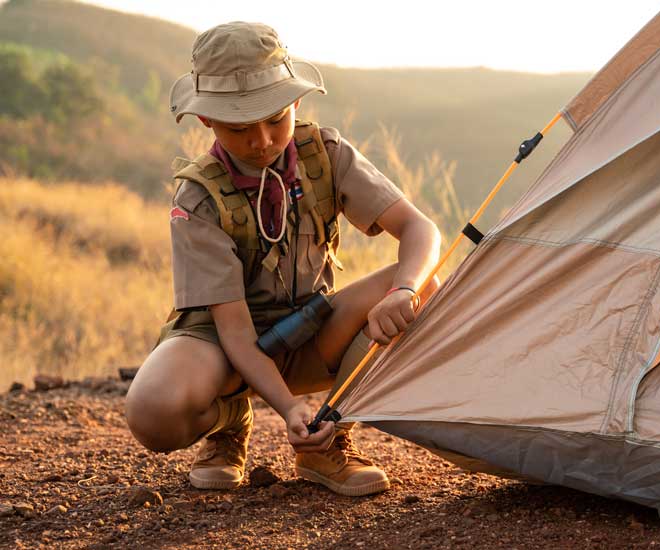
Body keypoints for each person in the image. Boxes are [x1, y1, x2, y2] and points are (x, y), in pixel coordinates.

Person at [124, 22, 441, 496]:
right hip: (223, 347)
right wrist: (287, 407)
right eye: (239, 127)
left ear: (296, 102)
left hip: (310, 327)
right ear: (206, 120)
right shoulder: (198, 198)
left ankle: (326, 441)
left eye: (275, 119)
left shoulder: (327, 155)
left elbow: (420, 229)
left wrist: (404, 289)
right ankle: (228, 419)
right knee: (152, 412)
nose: (263, 140)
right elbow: (234, 331)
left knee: (426, 286)